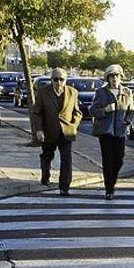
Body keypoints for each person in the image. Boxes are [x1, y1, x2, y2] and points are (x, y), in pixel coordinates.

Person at [31, 68, 82, 196]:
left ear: (66, 80)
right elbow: (37, 113)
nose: (59, 82)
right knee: (47, 156)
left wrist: (74, 125)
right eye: (56, 79)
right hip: (48, 131)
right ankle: (45, 175)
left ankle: (64, 186)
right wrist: (39, 130)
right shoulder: (43, 92)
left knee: (66, 159)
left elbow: (77, 112)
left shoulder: (73, 92)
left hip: (67, 132)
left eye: (62, 79)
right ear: (51, 79)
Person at [89, 64, 134, 200]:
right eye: (111, 76)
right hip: (106, 132)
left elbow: (131, 109)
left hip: (120, 131)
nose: (114, 78)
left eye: (117, 76)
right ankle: (109, 189)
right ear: (107, 78)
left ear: (121, 77)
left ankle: (112, 182)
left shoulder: (127, 92)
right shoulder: (101, 92)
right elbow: (92, 110)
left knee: (119, 160)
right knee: (107, 161)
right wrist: (105, 110)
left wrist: (127, 121)